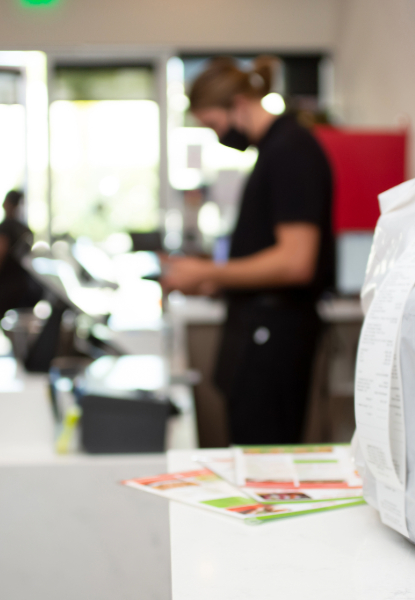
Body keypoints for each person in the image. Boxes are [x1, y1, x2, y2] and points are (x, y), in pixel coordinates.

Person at [161, 57, 335, 445]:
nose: (217, 135)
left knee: (265, 464)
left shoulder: (291, 150)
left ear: (238, 103)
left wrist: (209, 274)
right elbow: (267, 254)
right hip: (257, 335)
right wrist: (209, 281)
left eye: (213, 124)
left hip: (274, 340)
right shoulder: (272, 150)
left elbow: (295, 262)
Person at [0, 190, 43, 321]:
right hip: (20, 292)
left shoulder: (7, 230)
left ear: (7, 204)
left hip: (9, 294)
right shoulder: (22, 230)